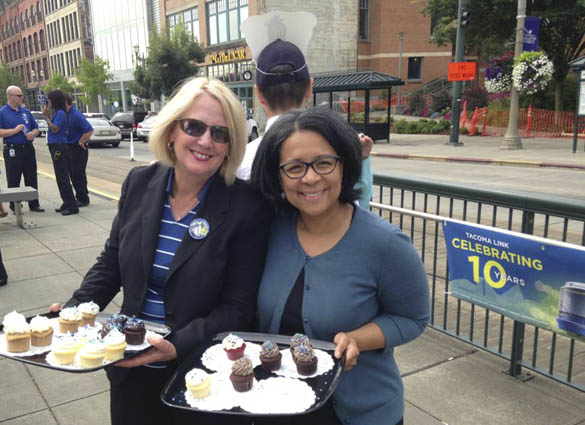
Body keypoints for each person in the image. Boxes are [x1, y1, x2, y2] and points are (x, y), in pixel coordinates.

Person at [51, 77, 271, 425]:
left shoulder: (247, 207)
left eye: (220, 133)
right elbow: (111, 263)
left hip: (201, 375)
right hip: (128, 367)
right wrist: (74, 311)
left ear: (231, 146)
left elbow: (239, 309)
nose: (205, 141)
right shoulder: (139, 184)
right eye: (194, 127)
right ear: (171, 130)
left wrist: (176, 344)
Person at [250, 107, 430, 425]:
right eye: (294, 167)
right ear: (277, 175)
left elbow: (412, 318)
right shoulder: (270, 229)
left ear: (344, 164)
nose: (310, 177)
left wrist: (359, 338)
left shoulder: (386, 243)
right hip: (278, 405)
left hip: (359, 412)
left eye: (323, 163)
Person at [238, 13, 374, 208]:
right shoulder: (336, 151)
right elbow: (359, 209)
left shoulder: (241, 161)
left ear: (259, 94)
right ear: (310, 88)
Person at [0, 85, 44, 213]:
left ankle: (34, 203)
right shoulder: (2, 112)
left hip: (28, 148)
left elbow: (35, 128)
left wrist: (33, 133)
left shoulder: (25, 112)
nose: (21, 98)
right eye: (19, 95)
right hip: (13, 149)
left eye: (22, 95)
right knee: (14, 177)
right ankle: (15, 204)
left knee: (31, 176)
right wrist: (15, 130)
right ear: (10, 96)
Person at [43, 89, 78, 215]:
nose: (48, 103)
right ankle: (66, 201)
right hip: (55, 145)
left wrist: (46, 117)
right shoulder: (57, 113)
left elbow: (55, 129)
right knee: (59, 177)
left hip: (59, 146)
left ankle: (72, 205)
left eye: (49, 100)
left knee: (62, 177)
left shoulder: (61, 114)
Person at [65, 95, 93, 207]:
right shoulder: (66, 115)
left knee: (78, 173)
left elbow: (89, 130)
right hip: (69, 148)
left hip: (76, 148)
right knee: (73, 173)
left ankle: (83, 198)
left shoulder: (75, 115)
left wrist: (81, 142)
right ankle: (81, 195)